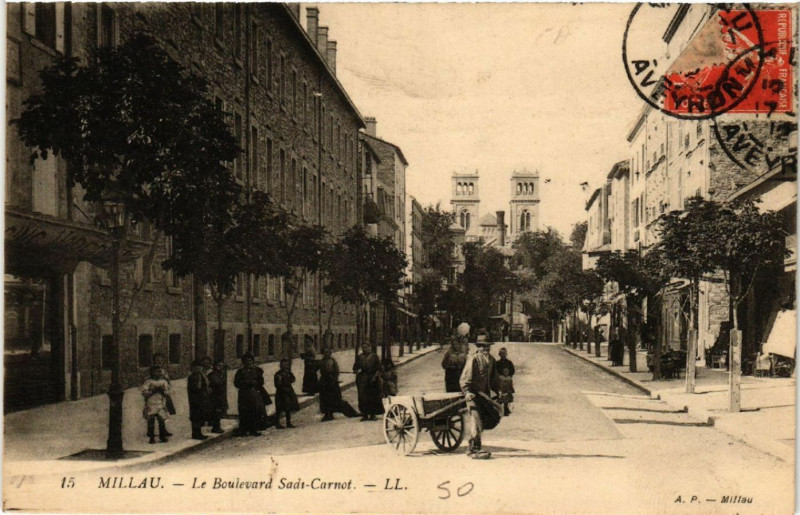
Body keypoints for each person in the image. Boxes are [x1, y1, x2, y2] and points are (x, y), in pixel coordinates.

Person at [460, 335, 500, 459]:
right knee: (476, 420)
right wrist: (467, 392)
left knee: (490, 419)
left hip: (484, 396)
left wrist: (498, 392)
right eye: (483, 347)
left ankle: (471, 445)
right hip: (473, 394)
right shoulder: (473, 359)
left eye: (488, 346)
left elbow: (494, 379)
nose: (486, 349)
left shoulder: (491, 360)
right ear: (478, 347)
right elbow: (465, 378)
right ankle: (475, 449)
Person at [318, 346, 359, 421]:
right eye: (325, 352)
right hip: (324, 383)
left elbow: (336, 372)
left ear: (330, 353)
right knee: (325, 399)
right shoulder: (321, 361)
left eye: (328, 352)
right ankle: (328, 414)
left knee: (336, 399)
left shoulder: (333, 361)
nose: (327, 354)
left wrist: (334, 380)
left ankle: (351, 412)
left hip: (332, 382)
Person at [233, 353, 267, 436]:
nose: (248, 363)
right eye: (246, 361)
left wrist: (255, 383)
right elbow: (236, 383)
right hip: (244, 394)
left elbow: (261, 381)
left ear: (252, 361)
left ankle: (254, 429)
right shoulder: (240, 372)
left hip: (254, 393)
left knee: (255, 411)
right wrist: (245, 383)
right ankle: (244, 430)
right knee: (244, 411)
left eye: (250, 361)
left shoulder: (257, 371)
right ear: (243, 362)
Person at [353, 343, 384, 421]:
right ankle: (365, 414)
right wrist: (357, 373)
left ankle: (373, 415)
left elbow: (378, 368)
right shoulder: (360, 357)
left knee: (373, 396)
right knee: (363, 397)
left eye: (366, 347)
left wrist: (375, 377)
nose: (364, 349)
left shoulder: (374, 356)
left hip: (372, 378)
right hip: (363, 379)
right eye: (363, 347)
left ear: (369, 348)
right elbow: (355, 367)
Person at [141, 365, 171, 444]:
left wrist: (163, 391)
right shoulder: (148, 382)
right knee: (151, 421)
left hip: (160, 403)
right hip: (151, 403)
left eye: (160, 371)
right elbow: (144, 393)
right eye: (157, 371)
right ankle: (151, 438)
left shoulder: (164, 382)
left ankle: (162, 436)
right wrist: (152, 391)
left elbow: (167, 392)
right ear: (152, 372)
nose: (159, 373)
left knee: (161, 420)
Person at [187, 359, 212, 440]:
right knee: (195, 416)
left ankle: (199, 432)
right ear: (192, 368)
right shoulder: (192, 377)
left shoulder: (202, 376)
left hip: (201, 399)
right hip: (194, 400)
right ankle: (195, 433)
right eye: (196, 368)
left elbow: (206, 385)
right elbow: (196, 388)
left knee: (200, 416)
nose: (198, 369)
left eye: (199, 368)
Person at [274, 358, 300, 429]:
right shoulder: (278, 374)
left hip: (288, 391)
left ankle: (288, 423)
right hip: (281, 392)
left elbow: (293, 379)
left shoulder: (288, 372)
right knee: (279, 408)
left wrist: (290, 378)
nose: (285, 366)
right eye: (283, 364)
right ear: (280, 365)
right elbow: (277, 384)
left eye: (286, 364)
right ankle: (277, 423)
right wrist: (282, 387)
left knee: (288, 407)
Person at [152, 352, 176, 423]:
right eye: (157, 360)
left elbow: (168, 381)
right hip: (154, 393)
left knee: (163, 409)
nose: (159, 362)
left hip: (163, 392)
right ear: (154, 361)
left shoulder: (164, 371)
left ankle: (163, 426)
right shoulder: (152, 370)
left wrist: (166, 379)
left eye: (161, 360)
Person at [206, 360, 227, 434]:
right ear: (215, 366)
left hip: (219, 395)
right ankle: (216, 427)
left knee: (219, 411)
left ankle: (217, 427)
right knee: (216, 412)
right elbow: (216, 383)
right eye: (219, 365)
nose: (221, 367)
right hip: (215, 396)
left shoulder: (220, 373)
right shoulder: (213, 374)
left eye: (222, 365)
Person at [496, 347, 515, 416]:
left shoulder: (509, 363)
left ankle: (506, 409)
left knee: (507, 395)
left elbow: (512, 371)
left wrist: (508, 376)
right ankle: (499, 410)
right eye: (501, 353)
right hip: (500, 381)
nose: (502, 355)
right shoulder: (497, 363)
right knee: (500, 395)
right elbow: (495, 371)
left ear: (506, 354)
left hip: (507, 382)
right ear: (499, 354)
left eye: (504, 353)